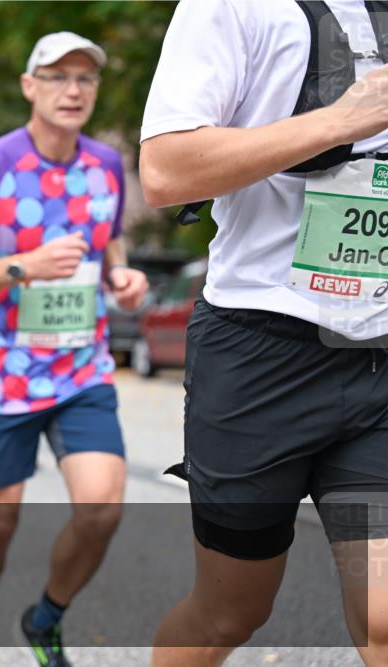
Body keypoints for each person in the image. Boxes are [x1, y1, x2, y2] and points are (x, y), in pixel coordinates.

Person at [139, 2, 387, 665]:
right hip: (260, 356)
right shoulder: (236, 5)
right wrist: (342, 119)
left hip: (378, 360)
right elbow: (165, 172)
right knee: (228, 613)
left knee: (385, 612)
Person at [0, 33, 149, 667]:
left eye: (85, 79)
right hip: (1, 377)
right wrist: (23, 267)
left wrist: (123, 279)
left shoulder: (107, 164)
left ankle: (44, 617)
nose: (73, 90)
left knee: (103, 509)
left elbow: (108, 245)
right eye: (57, 77)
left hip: (82, 367)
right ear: (31, 86)